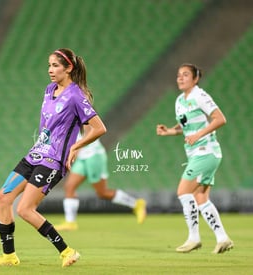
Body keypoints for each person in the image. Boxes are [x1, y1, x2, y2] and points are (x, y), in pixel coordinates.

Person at [0, 48, 106, 267]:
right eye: (49, 65)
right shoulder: (49, 89)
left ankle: (67, 252)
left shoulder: (77, 95)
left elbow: (98, 128)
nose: (50, 70)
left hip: (52, 161)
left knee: (25, 209)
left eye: (56, 65)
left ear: (68, 68)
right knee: (3, 197)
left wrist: (76, 146)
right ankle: (9, 256)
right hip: (35, 154)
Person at [156, 63, 233, 254]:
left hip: (206, 151)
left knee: (183, 191)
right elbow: (185, 127)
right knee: (200, 197)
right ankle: (223, 238)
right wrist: (170, 131)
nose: (180, 78)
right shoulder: (180, 100)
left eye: (185, 75)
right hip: (197, 153)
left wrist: (199, 135)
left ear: (195, 78)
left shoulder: (200, 95)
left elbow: (220, 119)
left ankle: (194, 238)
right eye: (178, 75)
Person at [55, 131, 147, 231]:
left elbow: (89, 132)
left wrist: (75, 151)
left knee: (102, 192)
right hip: (82, 157)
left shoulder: (81, 115)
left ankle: (136, 204)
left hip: (94, 156)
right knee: (69, 187)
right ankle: (70, 223)